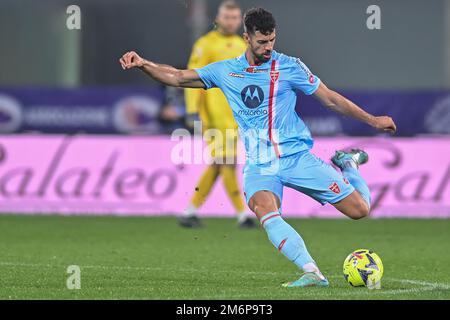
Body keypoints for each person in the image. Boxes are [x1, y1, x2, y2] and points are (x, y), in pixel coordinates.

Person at [119, 7, 397, 288]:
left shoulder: (290, 66)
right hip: (260, 163)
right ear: (247, 38)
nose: (268, 47)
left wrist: (372, 120)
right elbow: (178, 77)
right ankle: (312, 272)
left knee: (359, 210)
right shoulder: (226, 71)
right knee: (264, 210)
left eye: (272, 40)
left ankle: (348, 164)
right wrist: (143, 63)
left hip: (296, 158)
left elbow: (331, 100)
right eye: (262, 41)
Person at [183, 0, 254, 228]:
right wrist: (192, 110)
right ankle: (243, 214)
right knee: (228, 161)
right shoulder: (205, 44)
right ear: (217, 19)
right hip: (213, 113)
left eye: (235, 18)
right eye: (227, 17)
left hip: (236, 114)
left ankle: (190, 211)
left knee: (219, 163)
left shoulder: (241, 44)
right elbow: (190, 76)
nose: (231, 22)